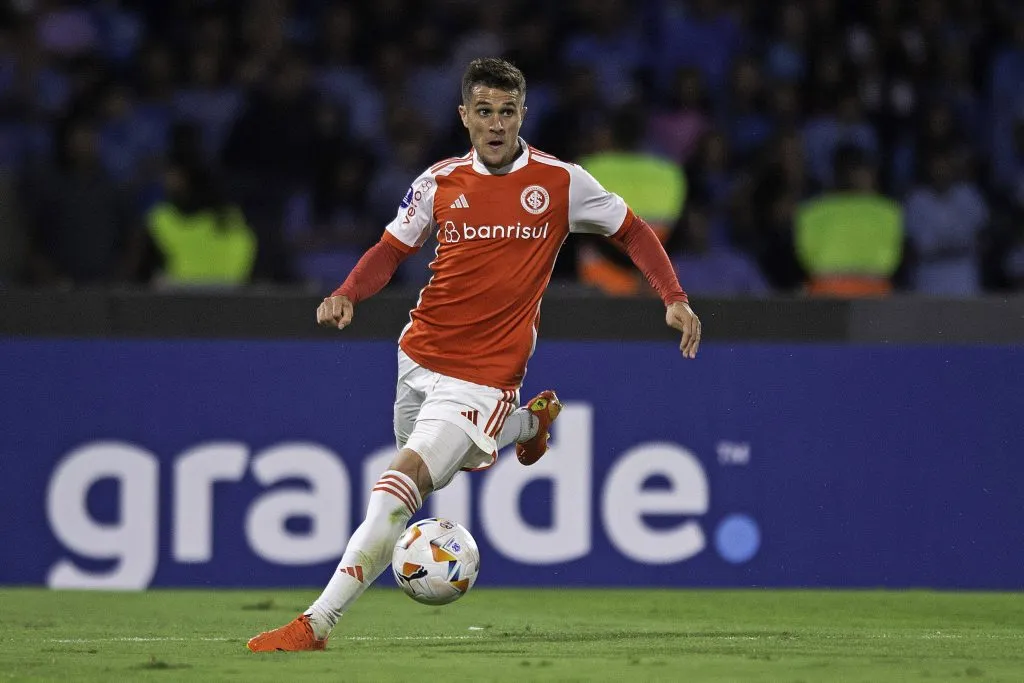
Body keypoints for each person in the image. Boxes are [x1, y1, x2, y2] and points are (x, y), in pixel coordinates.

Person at [247, 58, 701, 653]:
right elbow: (391, 249)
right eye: (483, 112)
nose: (495, 124)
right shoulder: (438, 183)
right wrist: (347, 293)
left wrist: (673, 298)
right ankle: (527, 425)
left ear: (522, 115)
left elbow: (634, 231)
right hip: (418, 355)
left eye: (506, 112)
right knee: (443, 463)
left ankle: (315, 624)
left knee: (397, 486)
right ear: (464, 116)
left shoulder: (561, 182)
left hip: (483, 377)